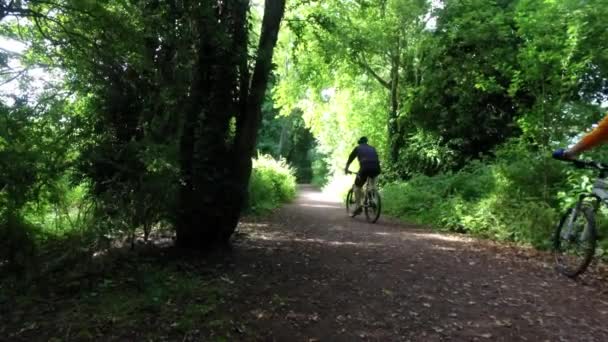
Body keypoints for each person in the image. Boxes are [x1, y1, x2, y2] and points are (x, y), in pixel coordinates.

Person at [345, 136, 381, 217]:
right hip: (376, 169)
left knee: (357, 186)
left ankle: (358, 206)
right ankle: (373, 199)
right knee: (372, 186)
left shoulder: (358, 148)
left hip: (365, 168)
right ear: (366, 142)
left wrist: (346, 168)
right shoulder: (372, 148)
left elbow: (350, 158)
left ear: (359, 142)